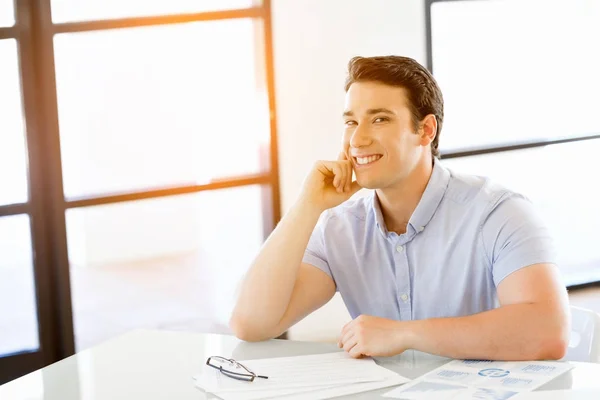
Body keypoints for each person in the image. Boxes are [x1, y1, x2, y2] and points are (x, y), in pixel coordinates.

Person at [229, 55, 570, 361]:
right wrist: (308, 205)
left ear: (425, 130)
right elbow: (251, 324)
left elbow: (547, 332)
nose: (357, 139)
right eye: (351, 121)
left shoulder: (498, 213)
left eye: (379, 119)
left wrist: (405, 334)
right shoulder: (341, 226)